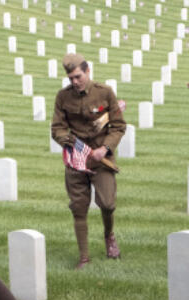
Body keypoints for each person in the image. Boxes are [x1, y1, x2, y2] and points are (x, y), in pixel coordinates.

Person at [51, 52, 126, 269]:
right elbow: (57, 128)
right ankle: (84, 257)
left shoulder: (104, 93)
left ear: (87, 71)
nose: (74, 82)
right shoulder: (63, 97)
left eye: (78, 76)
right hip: (76, 160)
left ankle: (108, 234)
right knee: (79, 207)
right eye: (71, 78)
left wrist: (106, 148)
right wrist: (70, 142)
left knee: (107, 203)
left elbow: (119, 126)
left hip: (101, 160)